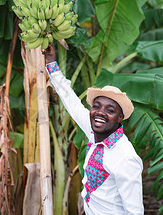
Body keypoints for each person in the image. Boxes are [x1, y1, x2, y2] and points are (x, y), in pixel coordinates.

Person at [43, 45, 144, 215]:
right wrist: (52, 64)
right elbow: (71, 102)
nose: (100, 113)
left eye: (110, 110)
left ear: (120, 118)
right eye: (96, 106)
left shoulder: (126, 158)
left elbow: (134, 212)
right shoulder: (93, 132)